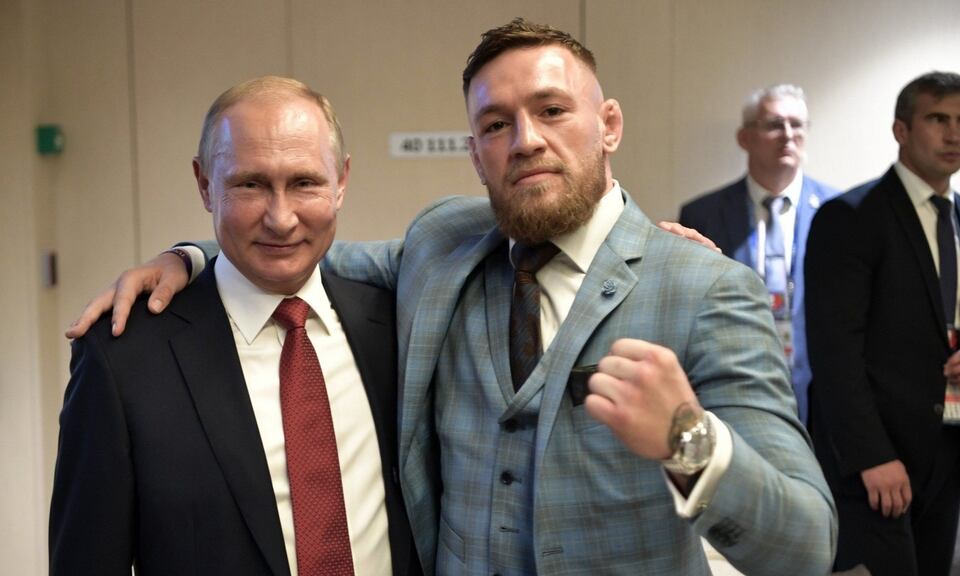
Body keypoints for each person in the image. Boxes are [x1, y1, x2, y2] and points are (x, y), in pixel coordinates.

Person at [68, 19, 836, 575]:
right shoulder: (443, 246)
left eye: (552, 110)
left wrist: (685, 438)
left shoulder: (706, 289)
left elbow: (806, 544)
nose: (525, 139)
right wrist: (190, 257)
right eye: (496, 124)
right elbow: (296, 253)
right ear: (474, 152)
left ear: (608, 126)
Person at [50, 77, 419, 576]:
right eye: (251, 184)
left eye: (305, 182)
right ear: (205, 184)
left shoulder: (395, 324)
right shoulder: (123, 358)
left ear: (342, 182)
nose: (281, 218)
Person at [805, 71, 960, 575]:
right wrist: (871, 457)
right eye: (937, 119)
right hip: (875, 460)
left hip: (950, 447)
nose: (954, 134)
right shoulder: (850, 217)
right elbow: (835, 353)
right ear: (901, 130)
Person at [679, 84, 839, 425]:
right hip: (733, 391)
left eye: (797, 125)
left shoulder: (838, 213)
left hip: (823, 398)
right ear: (745, 138)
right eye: (774, 124)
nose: (788, 135)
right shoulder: (703, 215)